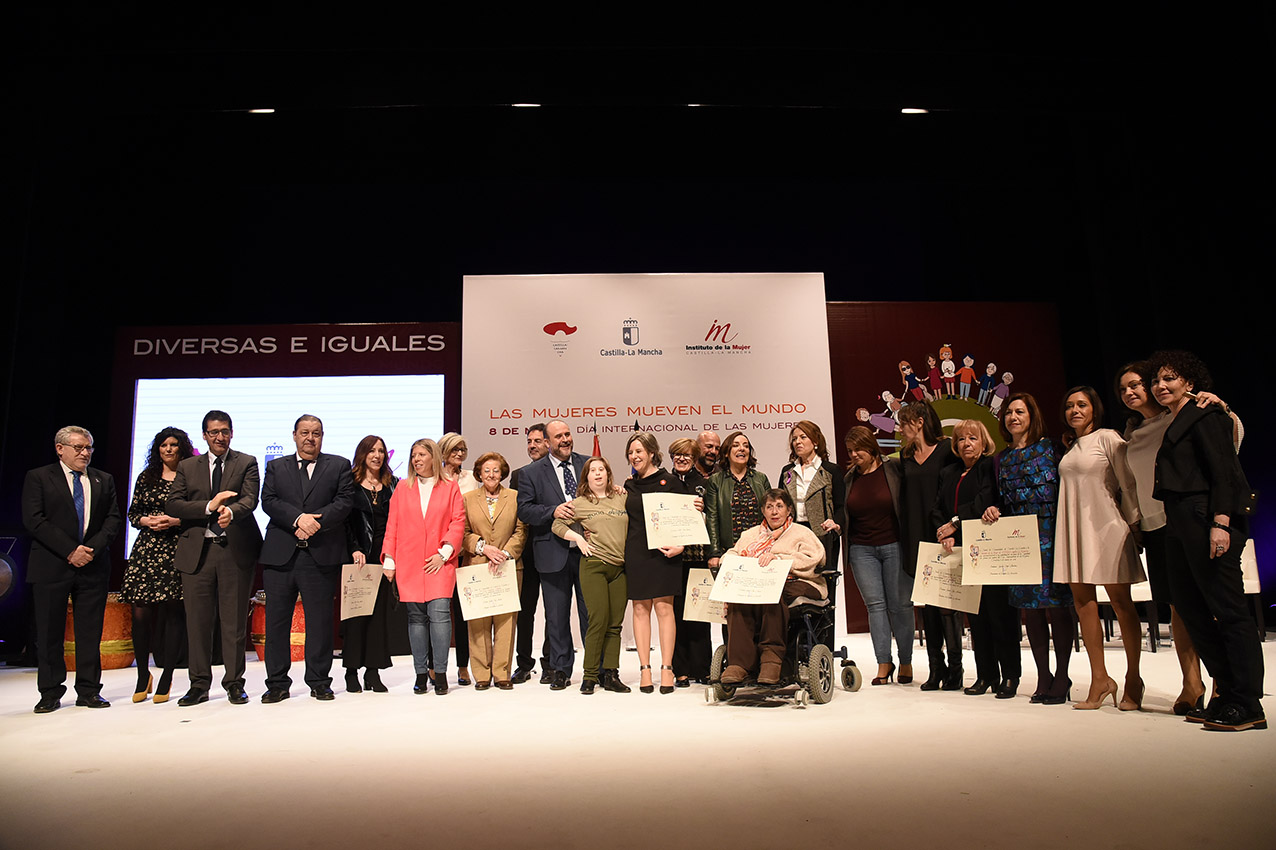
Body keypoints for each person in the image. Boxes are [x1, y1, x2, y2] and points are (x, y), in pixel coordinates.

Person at [1148, 350, 1264, 732]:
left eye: (1170, 378)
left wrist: (1221, 522)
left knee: (1228, 610)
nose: (1160, 386)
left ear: (1190, 383)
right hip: (1179, 523)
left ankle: (1248, 702)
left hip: (1206, 517)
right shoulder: (1175, 419)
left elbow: (1225, 471)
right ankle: (1227, 692)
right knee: (1191, 609)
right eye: (1156, 380)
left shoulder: (1207, 414)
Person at [1054, 387, 1145, 712]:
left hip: (1107, 528)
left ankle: (1133, 678)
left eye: (1081, 404)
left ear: (1095, 408)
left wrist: (1135, 524)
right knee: (1083, 603)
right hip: (1075, 530)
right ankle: (1100, 679)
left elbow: (1128, 482)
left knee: (1121, 603)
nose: (1074, 410)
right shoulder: (1070, 446)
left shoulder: (1109, 438)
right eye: (1069, 405)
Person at [981, 394, 1074, 704]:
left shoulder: (1052, 448)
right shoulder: (1001, 459)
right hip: (1018, 540)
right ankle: (1043, 675)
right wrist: (992, 510)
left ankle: (1062, 674)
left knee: (1057, 606)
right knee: (1030, 611)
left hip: (1051, 533)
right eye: (1009, 412)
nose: (1013, 417)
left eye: (1020, 412)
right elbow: (1000, 500)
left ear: (1032, 416)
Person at [23, 425, 123, 714]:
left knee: (90, 632)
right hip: (52, 565)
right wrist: (70, 550)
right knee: (50, 631)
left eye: (89, 447)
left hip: (93, 565)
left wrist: (89, 550)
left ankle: (89, 690)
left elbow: (112, 520)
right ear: (60, 448)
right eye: (79, 447)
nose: (85, 453)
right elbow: (34, 519)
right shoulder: (40, 477)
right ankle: (50, 692)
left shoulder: (103, 479)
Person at [167, 412, 263, 706]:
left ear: (232, 433)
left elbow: (250, 498)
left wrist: (231, 512)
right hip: (198, 553)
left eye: (224, 431)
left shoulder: (246, 462)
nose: (219, 437)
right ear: (204, 435)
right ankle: (198, 685)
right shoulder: (187, 466)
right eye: (213, 432)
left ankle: (234, 683)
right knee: (198, 623)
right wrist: (209, 507)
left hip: (233, 551)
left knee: (233, 622)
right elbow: (174, 503)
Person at [259, 415, 355, 703]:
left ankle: (319, 681)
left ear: (322, 436)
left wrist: (316, 523)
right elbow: (269, 501)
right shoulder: (276, 466)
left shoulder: (338, 465)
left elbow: (344, 501)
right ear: (294, 435)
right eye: (304, 433)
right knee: (277, 623)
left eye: (316, 433)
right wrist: (298, 519)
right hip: (281, 555)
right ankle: (277, 683)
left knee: (320, 623)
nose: (310, 438)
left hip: (320, 555)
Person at [933, 419, 1017, 696]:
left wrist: (955, 523)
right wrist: (945, 532)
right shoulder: (949, 472)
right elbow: (937, 508)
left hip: (989, 548)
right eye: (960, 439)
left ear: (984, 442)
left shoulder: (989, 467)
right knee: (976, 618)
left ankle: (1010, 676)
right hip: (960, 552)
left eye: (972, 438)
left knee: (999, 615)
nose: (966, 444)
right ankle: (986, 675)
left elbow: (986, 499)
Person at [383, 438, 465, 695]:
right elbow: (392, 525)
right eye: (413, 455)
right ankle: (420, 673)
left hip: (440, 561)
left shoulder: (450, 487)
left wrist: (445, 552)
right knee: (416, 618)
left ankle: (439, 673)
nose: (416, 459)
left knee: (440, 615)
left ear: (433, 457)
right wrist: (389, 559)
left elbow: (457, 522)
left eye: (421, 454)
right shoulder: (401, 488)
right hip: (409, 562)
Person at [720, 489, 826, 685]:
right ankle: (739, 663)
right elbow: (731, 553)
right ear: (763, 510)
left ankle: (771, 659)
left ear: (788, 510)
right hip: (760, 583)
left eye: (779, 506)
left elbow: (816, 558)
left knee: (771, 591)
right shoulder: (751, 534)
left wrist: (779, 560)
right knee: (738, 596)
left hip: (800, 582)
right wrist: (733, 561)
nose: (774, 512)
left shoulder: (801, 532)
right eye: (769, 507)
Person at [121, 426, 193, 704]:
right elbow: (133, 513)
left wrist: (175, 521)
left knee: (174, 612)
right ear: (157, 449)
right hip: (147, 550)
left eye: (174, 445)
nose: (169, 449)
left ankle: (167, 675)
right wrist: (147, 521)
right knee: (140, 614)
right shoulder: (146, 477)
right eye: (164, 445)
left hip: (176, 548)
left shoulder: (188, 477)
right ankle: (142, 674)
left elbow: (198, 513)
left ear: (182, 448)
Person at [516, 420, 590, 690]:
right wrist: (552, 511)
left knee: (590, 615)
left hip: (587, 553)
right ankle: (559, 669)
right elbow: (524, 510)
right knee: (556, 618)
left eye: (568, 434)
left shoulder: (588, 464)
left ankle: (595, 669)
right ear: (547, 442)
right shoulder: (531, 473)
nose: (565, 440)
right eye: (558, 436)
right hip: (552, 552)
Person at [896, 402, 964, 691]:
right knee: (927, 605)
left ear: (920, 421)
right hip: (916, 536)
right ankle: (935, 668)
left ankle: (956, 670)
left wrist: (953, 526)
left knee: (947, 605)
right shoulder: (905, 456)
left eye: (905, 422)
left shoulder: (948, 450)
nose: (901, 429)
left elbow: (955, 491)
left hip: (943, 534)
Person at [552, 456, 631, 694]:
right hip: (594, 565)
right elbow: (557, 525)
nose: (598, 473)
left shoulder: (621, 496)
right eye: (592, 470)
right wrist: (577, 538)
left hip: (620, 568)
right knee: (598, 620)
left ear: (608, 474)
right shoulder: (580, 503)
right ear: (586, 476)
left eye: (602, 470)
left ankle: (611, 674)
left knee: (615, 625)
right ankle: (590, 676)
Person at [842, 425, 912, 685]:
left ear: (871, 447)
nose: (854, 454)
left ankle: (906, 661)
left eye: (858, 449)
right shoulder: (849, 478)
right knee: (875, 606)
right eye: (850, 451)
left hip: (894, 544)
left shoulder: (893, 469)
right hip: (861, 549)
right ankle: (884, 662)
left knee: (900, 606)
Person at [623, 433, 689, 694]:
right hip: (637, 552)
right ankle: (644, 669)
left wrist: (681, 546)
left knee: (664, 609)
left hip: (665, 553)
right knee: (640, 609)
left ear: (652, 452)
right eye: (630, 452)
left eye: (639, 451)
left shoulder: (671, 481)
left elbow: (688, 516)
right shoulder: (628, 486)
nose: (634, 456)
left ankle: (667, 668)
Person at [462, 451, 528, 690]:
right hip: (477, 566)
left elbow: (521, 531)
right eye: (486, 470)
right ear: (479, 473)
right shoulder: (467, 498)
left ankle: (502, 673)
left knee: (506, 621)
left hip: (508, 566)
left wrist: (504, 554)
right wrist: (484, 548)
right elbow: (463, 532)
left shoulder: (515, 497)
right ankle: (481, 673)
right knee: (478, 621)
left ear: (503, 473)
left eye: (496, 470)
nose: (491, 474)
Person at [343, 435, 398, 693]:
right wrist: (353, 548)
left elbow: (398, 523)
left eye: (381, 451)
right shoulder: (350, 484)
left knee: (378, 617)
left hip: (383, 558)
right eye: (372, 450)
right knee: (356, 615)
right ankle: (351, 671)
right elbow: (344, 521)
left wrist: (391, 556)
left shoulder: (392, 485)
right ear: (362, 453)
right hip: (357, 558)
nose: (377, 455)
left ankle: (373, 672)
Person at [779, 421, 845, 614]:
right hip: (794, 535)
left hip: (823, 534)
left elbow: (841, 506)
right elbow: (781, 503)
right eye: (794, 439)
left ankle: (824, 638)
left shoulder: (831, 470)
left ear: (815, 441)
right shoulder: (787, 471)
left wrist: (836, 524)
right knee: (794, 582)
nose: (797, 442)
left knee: (824, 584)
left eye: (803, 437)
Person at [510, 423, 551, 684]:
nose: (532, 445)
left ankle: (550, 663)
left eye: (537, 441)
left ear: (549, 443)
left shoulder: (560, 473)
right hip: (525, 554)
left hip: (551, 549)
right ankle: (523, 663)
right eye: (529, 441)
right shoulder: (518, 475)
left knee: (553, 612)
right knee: (524, 612)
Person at [669, 437, 711, 686]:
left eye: (686, 455)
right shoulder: (665, 483)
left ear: (695, 458)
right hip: (672, 560)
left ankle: (702, 668)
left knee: (699, 612)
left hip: (698, 557)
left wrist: (703, 510)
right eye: (677, 454)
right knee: (676, 614)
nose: (682, 459)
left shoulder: (705, 484)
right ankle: (680, 669)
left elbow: (713, 516)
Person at [439, 432, 478, 686]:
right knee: (437, 613)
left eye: (463, 449)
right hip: (440, 554)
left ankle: (463, 666)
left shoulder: (472, 478)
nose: (460, 454)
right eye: (454, 449)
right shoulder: (433, 478)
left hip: (466, 553)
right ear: (442, 452)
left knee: (464, 614)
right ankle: (434, 666)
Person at [706, 431, 771, 572]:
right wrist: (715, 552)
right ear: (727, 453)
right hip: (729, 551)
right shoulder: (715, 481)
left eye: (746, 446)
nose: (742, 448)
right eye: (736, 445)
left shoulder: (761, 479)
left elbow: (771, 514)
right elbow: (712, 517)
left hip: (759, 551)